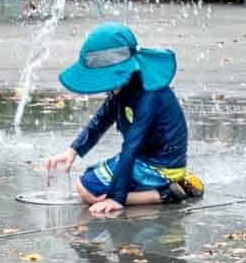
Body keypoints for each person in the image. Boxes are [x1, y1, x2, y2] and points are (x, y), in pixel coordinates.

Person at [40, 23, 204, 216]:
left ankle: (166, 193)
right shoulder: (125, 87)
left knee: (87, 189)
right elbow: (101, 120)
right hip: (147, 160)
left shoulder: (148, 95)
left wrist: (116, 199)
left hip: (160, 166)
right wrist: (72, 151)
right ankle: (172, 184)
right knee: (90, 181)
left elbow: (131, 146)